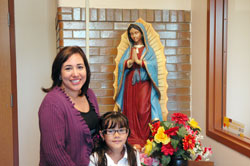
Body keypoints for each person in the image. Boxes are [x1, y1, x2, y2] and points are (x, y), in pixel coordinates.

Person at [39, 46, 99, 166]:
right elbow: (54, 153)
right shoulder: (52, 103)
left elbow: (97, 135)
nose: (75, 74)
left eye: (80, 67)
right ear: (59, 73)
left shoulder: (90, 94)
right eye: (68, 68)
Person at [113, 18, 168, 149]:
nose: (134, 36)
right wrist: (128, 63)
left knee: (143, 110)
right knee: (130, 109)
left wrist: (141, 62)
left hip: (144, 84)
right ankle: (132, 136)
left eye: (136, 33)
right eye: (132, 34)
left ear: (142, 34)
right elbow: (121, 64)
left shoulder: (149, 51)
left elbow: (154, 66)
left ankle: (144, 137)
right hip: (130, 84)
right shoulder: (129, 49)